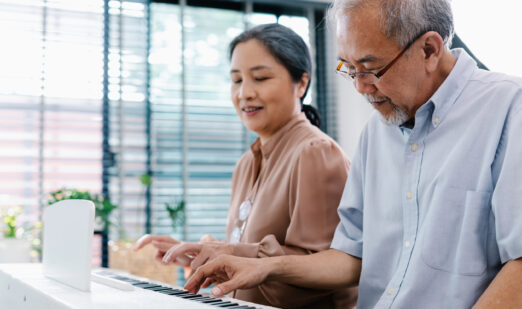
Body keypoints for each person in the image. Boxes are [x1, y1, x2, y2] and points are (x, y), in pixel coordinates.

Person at [184, 1, 522, 308]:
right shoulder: (377, 132)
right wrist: (264, 267)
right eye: (349, 67)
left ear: (429, 49)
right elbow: (351, 255)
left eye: (370, 67)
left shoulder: (509, 109)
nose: (359, 85)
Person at [134, 23, 357, 308]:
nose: (245, 93)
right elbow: (249, 273)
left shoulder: (315, 152)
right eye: (237, 80)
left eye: (261, 78)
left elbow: (323, 269)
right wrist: (203, 256)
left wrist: (226, 252)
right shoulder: (245, 164)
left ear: (301, 83)